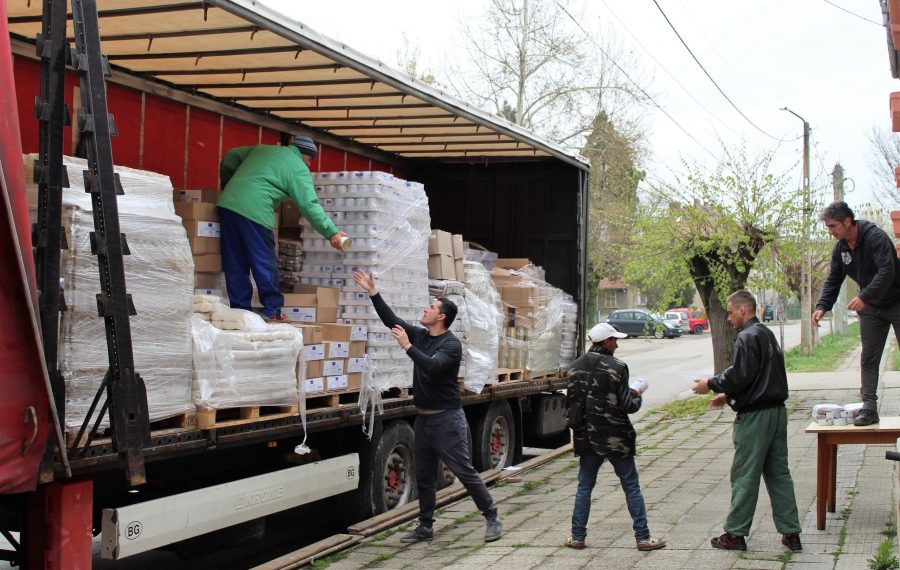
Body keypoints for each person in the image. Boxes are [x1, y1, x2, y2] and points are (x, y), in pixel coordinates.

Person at [352, 269, 503, 543]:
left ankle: (492, 516)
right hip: (423, 420)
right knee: (424, 476)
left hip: (447, 420)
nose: (426, 309)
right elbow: (392, 321)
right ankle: (425, 526)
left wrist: (407, 347)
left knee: (464, 471)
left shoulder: (451, 345)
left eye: (431, 307)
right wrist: (373, 292)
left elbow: (433, 367)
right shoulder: (421, 336)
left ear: (441, 317)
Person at [692, 290, 802, 553]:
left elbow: (739, 376)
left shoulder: (746, 336)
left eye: (730, 313)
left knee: (745, 474)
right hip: (776, 412)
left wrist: (711, 384)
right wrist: (728, 395)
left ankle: (735, 533)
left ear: (743, 310)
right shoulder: (766, 334)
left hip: (755, 418)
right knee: (779, 474)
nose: (729, 319)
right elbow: (758, 375)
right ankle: (791, 532)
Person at [217, 135, 348, 321]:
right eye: (310, 161)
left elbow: (231, 157)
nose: (309, 165)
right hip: (255, 210)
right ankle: (273, 310)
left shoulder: (263, 149)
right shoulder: (299, 168)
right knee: (264, 260)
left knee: (235, 261)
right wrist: (331, 232)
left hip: (227, 205)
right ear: (308, 157)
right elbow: (309, 205)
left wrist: (228, 184)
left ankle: (240, 312)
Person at [564, 322, 666, 552]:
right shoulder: (618, 367)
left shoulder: (574, 368)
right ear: (606, 341)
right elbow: (629, 406)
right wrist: (637, 393)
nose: (617, 345)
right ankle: (643, 538)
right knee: (631, 485)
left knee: (584, 486)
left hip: (587, 438)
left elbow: (571, 405)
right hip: (616, 437)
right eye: (615, 341)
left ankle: (577, 537)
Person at [812, 201, 900, 426]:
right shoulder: (841, 249)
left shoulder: (875, 238)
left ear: (847, 221)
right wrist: (822, 306)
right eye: (828, 227)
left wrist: (864, 296)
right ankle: (869, 409)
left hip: (896, 300)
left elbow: (887, 271)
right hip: (871, 307)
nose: (830, 232)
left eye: (833, 226)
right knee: (868, 358)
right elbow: (834, 278)